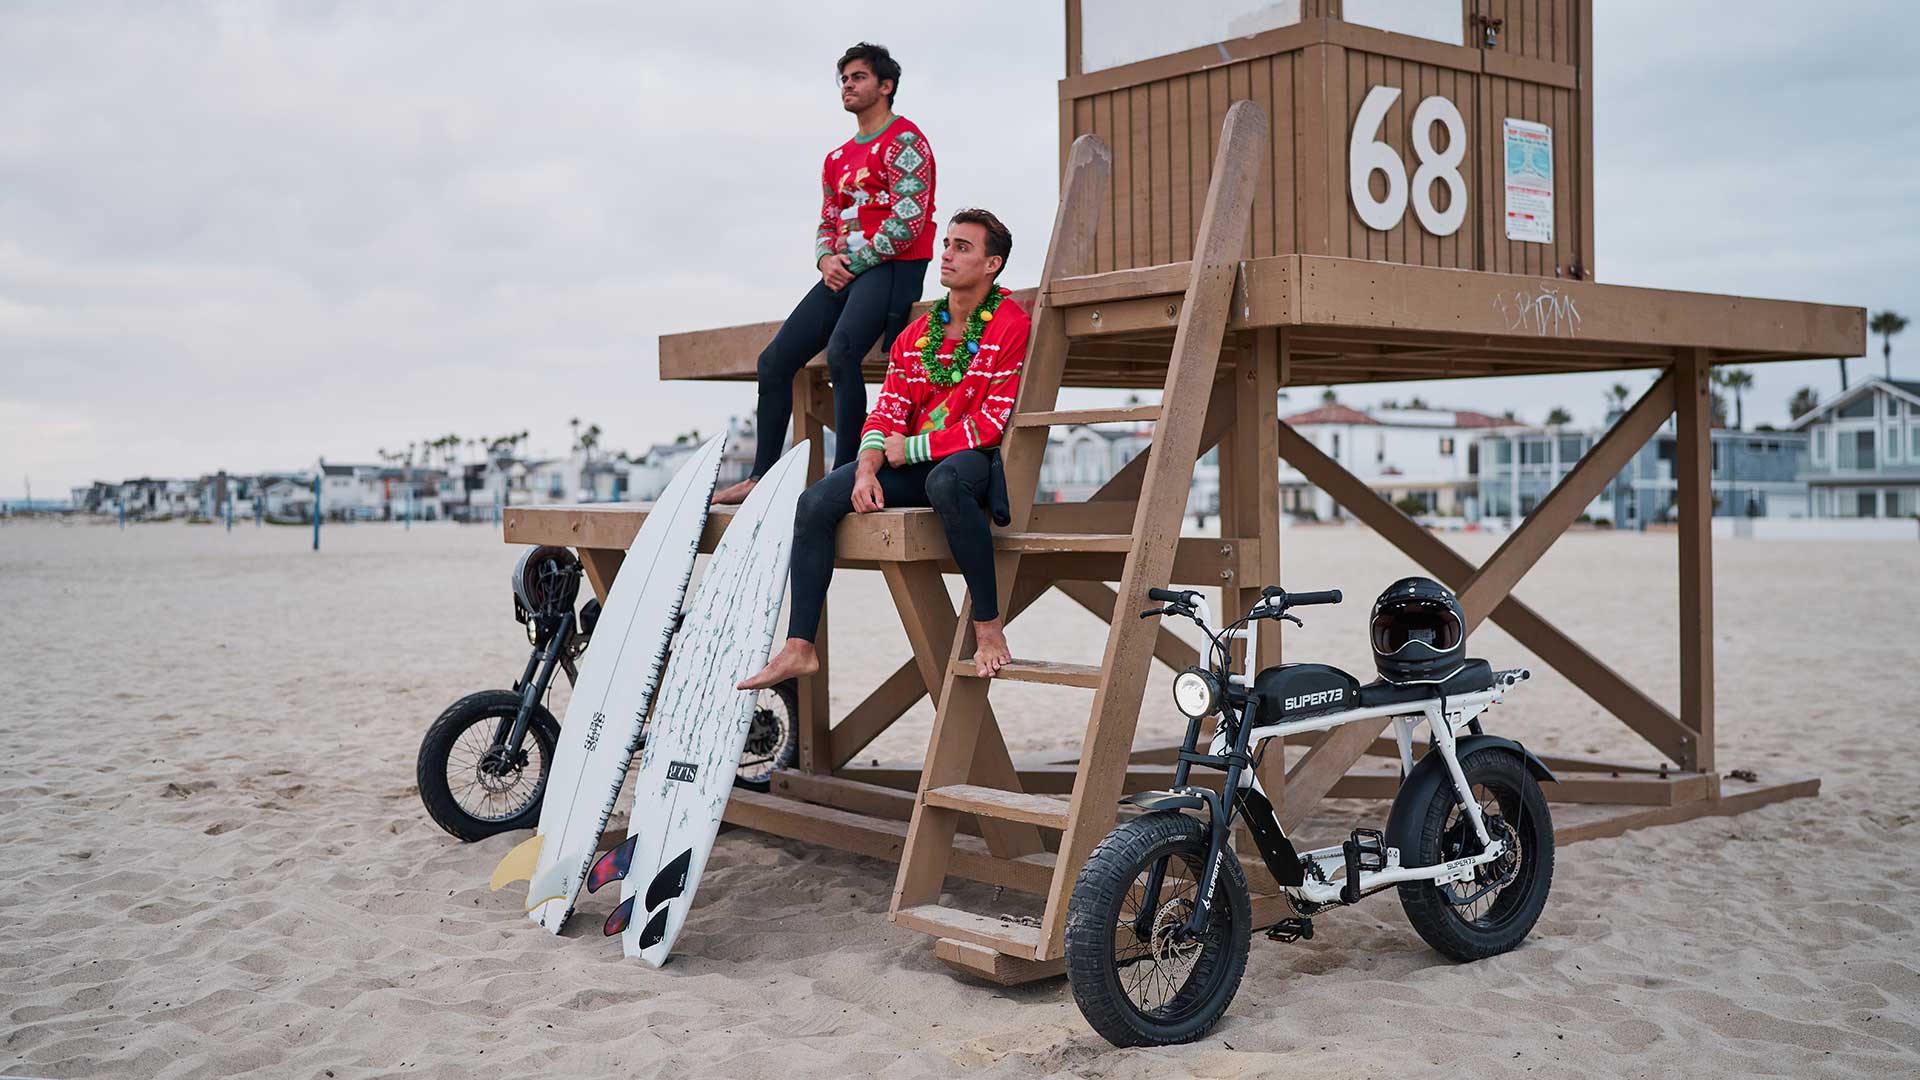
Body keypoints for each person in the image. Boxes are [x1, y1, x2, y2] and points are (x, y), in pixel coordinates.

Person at [740, 209, 1024, 689]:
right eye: (948, 243)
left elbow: (989, 425)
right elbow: (885, 413)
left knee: (945, 480)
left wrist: (909, 449)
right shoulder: (915, 336)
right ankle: (799, 647)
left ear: (992, 264)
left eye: (962, 247)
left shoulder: (1009, 324)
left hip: (968, 464)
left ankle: (988, 627)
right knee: (813, 502)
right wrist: (866, 470)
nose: (947, 254)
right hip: (908, 461)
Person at [713, 42, 936, 506]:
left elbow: (909, 218)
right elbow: (828, 220)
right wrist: (824, 260)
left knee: (842, 354)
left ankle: (848, 471)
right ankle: (761, 477)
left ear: (886, 86)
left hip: (892, 267)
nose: (848, 86)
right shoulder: (836, 158)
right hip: (841, 272)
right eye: (844, 79)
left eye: (858, 77)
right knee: (774, 361)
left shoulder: (906, 141)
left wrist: (848, 263)